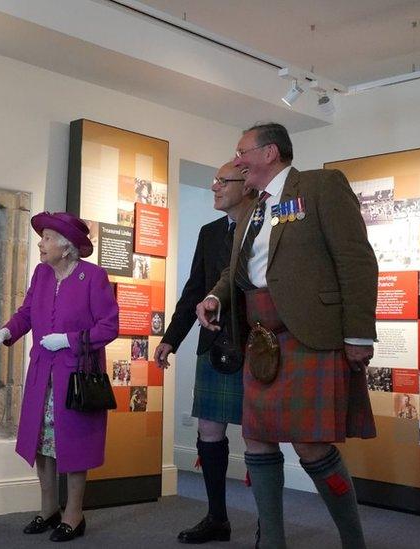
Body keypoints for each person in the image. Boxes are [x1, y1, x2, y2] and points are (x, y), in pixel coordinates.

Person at [197, 123, 378, 548]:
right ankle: (272, 543)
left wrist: (359, 335)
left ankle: (354, 540)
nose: (237, 159)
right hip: (261, 341)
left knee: (311, 447)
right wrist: (215, 297)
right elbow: (237, 269)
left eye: (242, 151)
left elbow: (355, 261)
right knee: (256, 439)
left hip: (309, 337)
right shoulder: (253, 206)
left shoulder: (319, 186)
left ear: (270, 152)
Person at [0, 211, 119, 543]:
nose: (40, 244)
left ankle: (74, 513)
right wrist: (4, 332)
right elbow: (27, 312)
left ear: (67, 246)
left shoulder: (93, 276)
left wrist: (69, 340)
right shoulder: (42, 274)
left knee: (72, 446)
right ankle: (48, 509)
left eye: (46, 238)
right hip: (43, 373)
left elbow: (109, 326)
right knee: (42, 442)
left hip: (75, 376)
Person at [153, 162, 253, 544]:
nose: (214, 187)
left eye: (222, 181)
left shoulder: (267, 227)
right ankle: (217, 518)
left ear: (246, 186)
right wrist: (171, 339)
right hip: (214, 344)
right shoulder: (210, 233)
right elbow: (195, 290)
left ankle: (270, 524)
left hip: (259, 344)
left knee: (262, 435)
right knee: (209, 430)